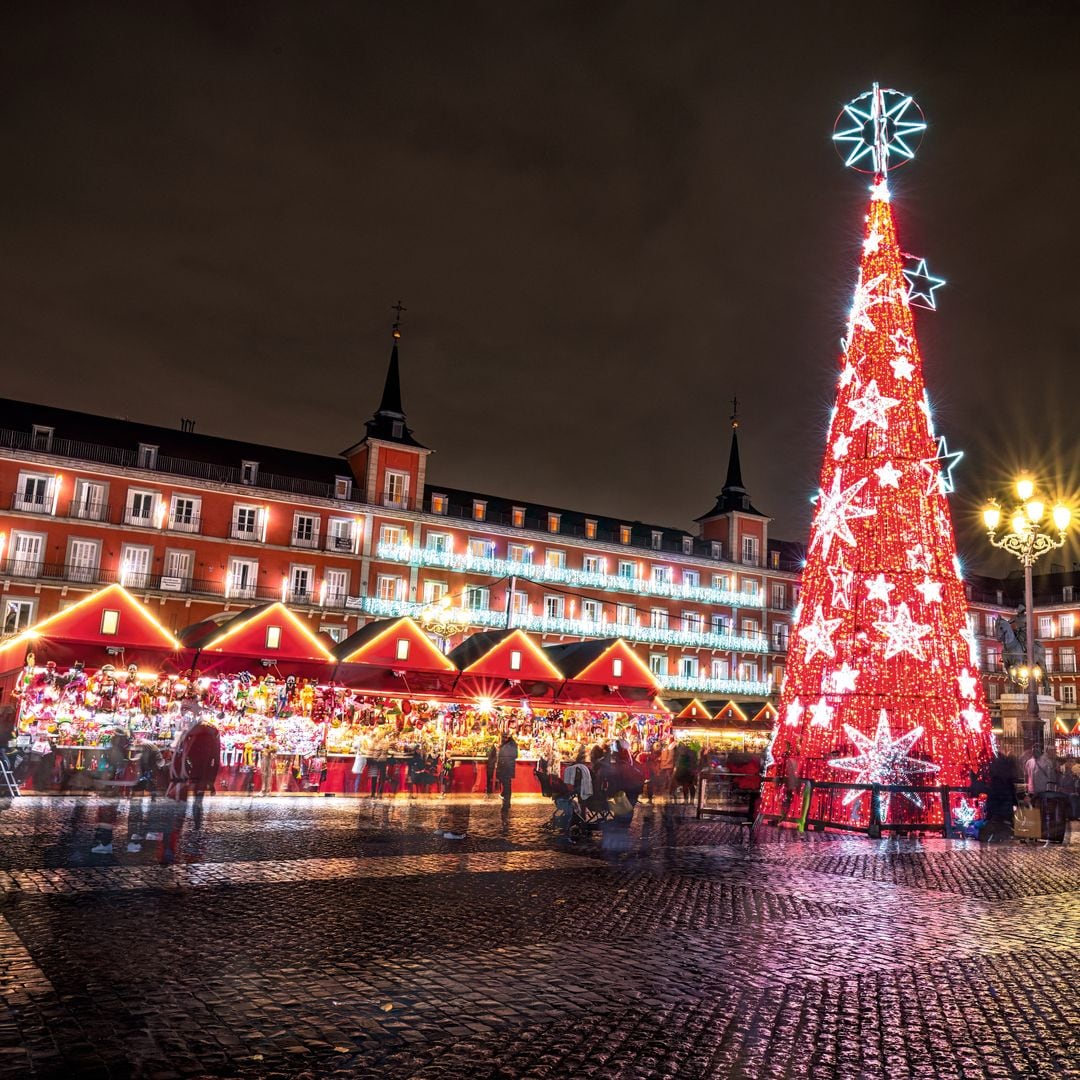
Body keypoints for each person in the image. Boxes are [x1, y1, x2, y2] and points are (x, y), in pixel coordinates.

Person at [496, 732, 518, 813]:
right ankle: (506, 801)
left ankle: (506, 802)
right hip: (508, 768)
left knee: (507, 786)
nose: (503, 739)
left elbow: (502, 758)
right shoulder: (513, 745)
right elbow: (515, 756)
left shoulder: (505, 746)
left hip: (505, 768)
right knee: (507, 785)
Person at [350, 731, 367, 795]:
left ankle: (356, 789)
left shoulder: (359, 740)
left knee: (358, 775)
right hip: (362, 759)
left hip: (360, 758)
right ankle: (356, 789)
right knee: (358, 775)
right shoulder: (364, 740)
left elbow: (354, 747)